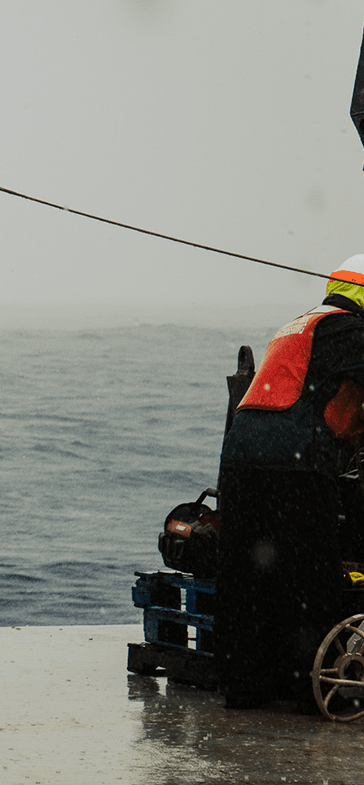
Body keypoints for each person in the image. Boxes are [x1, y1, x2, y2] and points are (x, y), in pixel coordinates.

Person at [216, 253, 364, 710]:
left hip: (242, 457)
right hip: (294, 462)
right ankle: (309, 690)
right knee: (307, 576)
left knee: (250, 574)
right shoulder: (350, 330)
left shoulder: (301, 323)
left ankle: (246, 685)